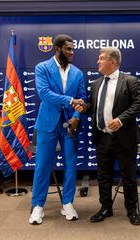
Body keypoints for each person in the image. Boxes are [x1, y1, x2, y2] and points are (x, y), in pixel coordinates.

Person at [74, 47, 140, 225]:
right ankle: (106, 207)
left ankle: (132, 210)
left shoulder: (130, 81)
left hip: (125, 138)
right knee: (103, 175)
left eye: (101, 58)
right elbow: (93, 107)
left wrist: (120, 120)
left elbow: (139, 104)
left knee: (128, 176)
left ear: (112, 61)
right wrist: (85, 107)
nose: (97, 61)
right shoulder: (96, 83)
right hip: (102, 137)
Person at [29, 34, 86, 225]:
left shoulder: (78, 73)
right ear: (57, 49)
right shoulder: (42, 68)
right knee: (43, 165)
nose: (72, 52)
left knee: (71, 165)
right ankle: (38, 206)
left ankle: (68, 203)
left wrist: (76, 117)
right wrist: (70, 101)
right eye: (68, 49)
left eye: (73, 49)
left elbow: (82, 99)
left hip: (70, 126)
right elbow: (44, 94)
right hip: (47, 124)